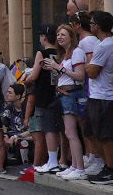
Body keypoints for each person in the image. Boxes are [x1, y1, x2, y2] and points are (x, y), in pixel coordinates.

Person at [81, 11, 113, 183]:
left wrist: (88, 64)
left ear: (96, 26)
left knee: (105, 135)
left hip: (105, 96)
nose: (90, 25)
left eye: (91, 23)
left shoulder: (106, 45)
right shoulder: (101, 43)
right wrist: (89, 63)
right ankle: (106, 165)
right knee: (90, 132)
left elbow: (91, 72)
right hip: (96, 95)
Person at [20, 26, 63, 178]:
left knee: (46, 129)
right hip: (58, 92)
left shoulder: (42, 53)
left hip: (43, 94)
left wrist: (25, 79)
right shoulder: (60, 52)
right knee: (59, 130)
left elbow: (34, 75)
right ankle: (59, 159)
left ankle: (48, 162)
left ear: (44, 37)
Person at [56, 24, 87, 179]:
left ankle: (79, 168)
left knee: (71, 132)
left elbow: (80, 75)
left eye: (63, 35)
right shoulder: (66, 54)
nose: (59, 37)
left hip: (72, 93)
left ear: (71, 37)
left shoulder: (77, 52)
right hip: (64, 93)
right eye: (58, 35)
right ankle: (74, 165)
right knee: (69, 132)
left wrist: (59, 68)